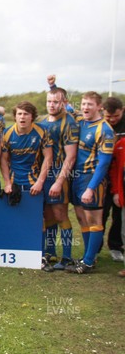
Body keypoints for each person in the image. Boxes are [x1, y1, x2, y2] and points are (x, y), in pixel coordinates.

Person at [0, 101, 53, 271]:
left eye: (26, 114)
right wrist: (7, 182)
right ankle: (20, 253)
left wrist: (40, 182)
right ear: (15, 116)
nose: (22, 117)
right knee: (17, 217)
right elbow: (3, 160)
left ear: (32, 117)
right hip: (16, 182)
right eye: (19, 114)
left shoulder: (41, 131)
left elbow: (48, 158)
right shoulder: (7, 133)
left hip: (34, 182)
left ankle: (42, 254)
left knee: (39, 219)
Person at [66, 92, 115, 274]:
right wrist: (52, 85)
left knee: (93, 219)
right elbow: (66, 106)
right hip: (77, 178)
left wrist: (91, 188)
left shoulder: (105, 130)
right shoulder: (81, 120)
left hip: (92, 179)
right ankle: (89, 257)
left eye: (90, 104)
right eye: (84, 104)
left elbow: (104, 163)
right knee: (81, 218)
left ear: (99, 107)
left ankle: (87, 261)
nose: (86, 107)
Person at [39, 88, 79, 270]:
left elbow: (71, 157)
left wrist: (59, 181)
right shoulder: (41, 121)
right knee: (47, 215)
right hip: (43, 175)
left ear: (64, 102)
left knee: (60, 214)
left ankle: (68, 257)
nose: (52, 105)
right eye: (49, 101)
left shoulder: (69, 123)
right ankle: (50, 251)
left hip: (58, 175)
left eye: (56, 102)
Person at [101, 97, 125, 261]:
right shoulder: (99, 123)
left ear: (122, 110)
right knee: (100, 212)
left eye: (115, 116)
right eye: (108, 117)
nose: (112, 120)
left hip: (120, 176)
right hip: (102, 175)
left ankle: (116, 246)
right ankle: (95, 248)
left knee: (119, 215)